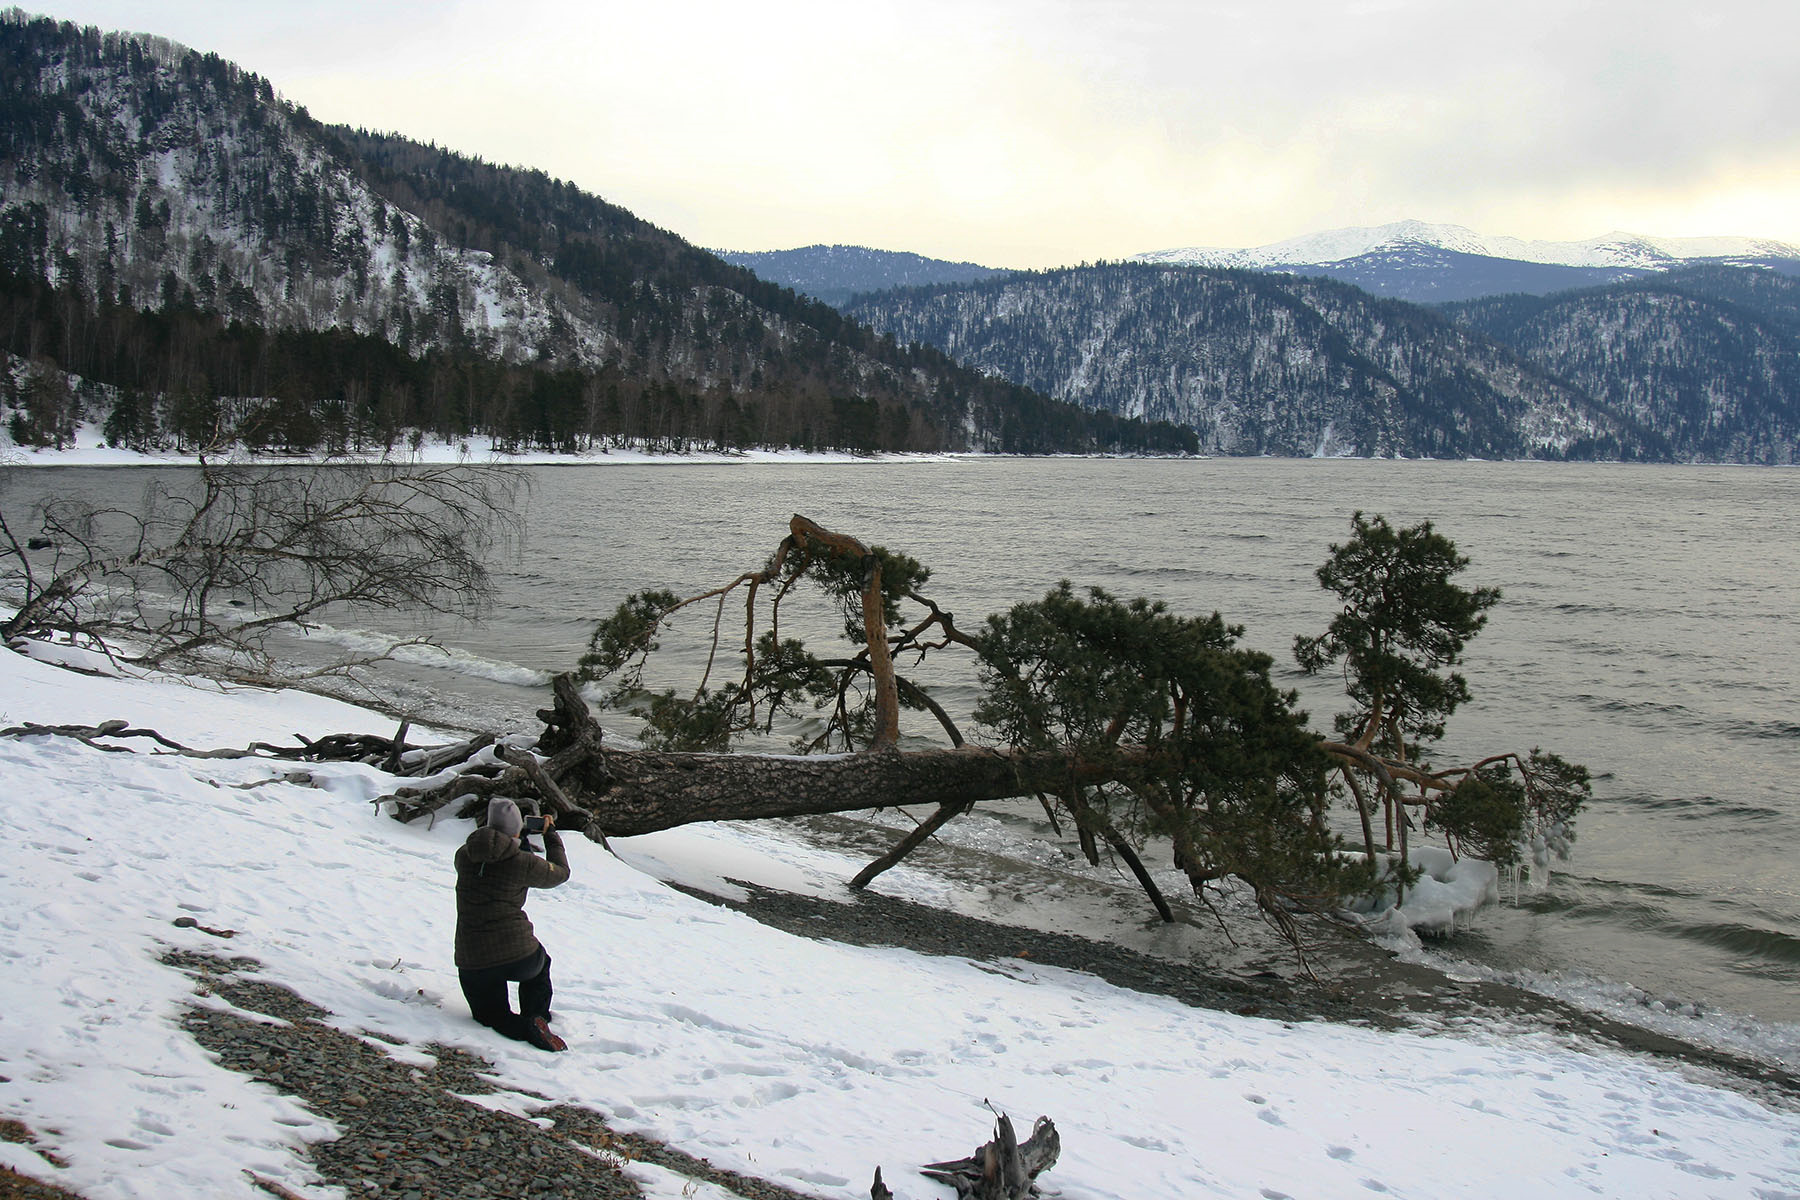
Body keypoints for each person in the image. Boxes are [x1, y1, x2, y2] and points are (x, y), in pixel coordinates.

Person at [454, 796, 569, 1052]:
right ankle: (536, 1017)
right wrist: (551, 836)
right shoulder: (521, 863)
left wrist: (515, 840)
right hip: (517, 955)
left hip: (471, 960)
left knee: (491, 1018)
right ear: (517, 829)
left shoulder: (463, 856)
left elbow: (494, 854)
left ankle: (521, 1027)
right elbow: (560, 873)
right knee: (540, 966)